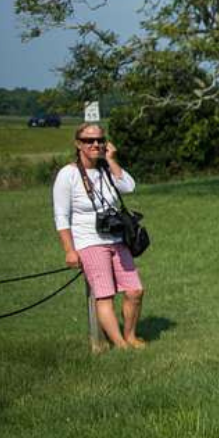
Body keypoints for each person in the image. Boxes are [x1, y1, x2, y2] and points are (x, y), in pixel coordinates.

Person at [52, 122, 144, 351]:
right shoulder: (68, 174)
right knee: (105, 295)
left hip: (116, 239)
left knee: (135, 290)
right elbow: (61, 216)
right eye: (88, 141)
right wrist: (69, 250)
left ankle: (130, 336)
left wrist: (111, 159)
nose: (95, 144)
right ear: (78, 144)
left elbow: (129, 187)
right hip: (89, 242)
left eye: (100, 140)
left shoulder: (106, 170)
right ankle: (121, 345)